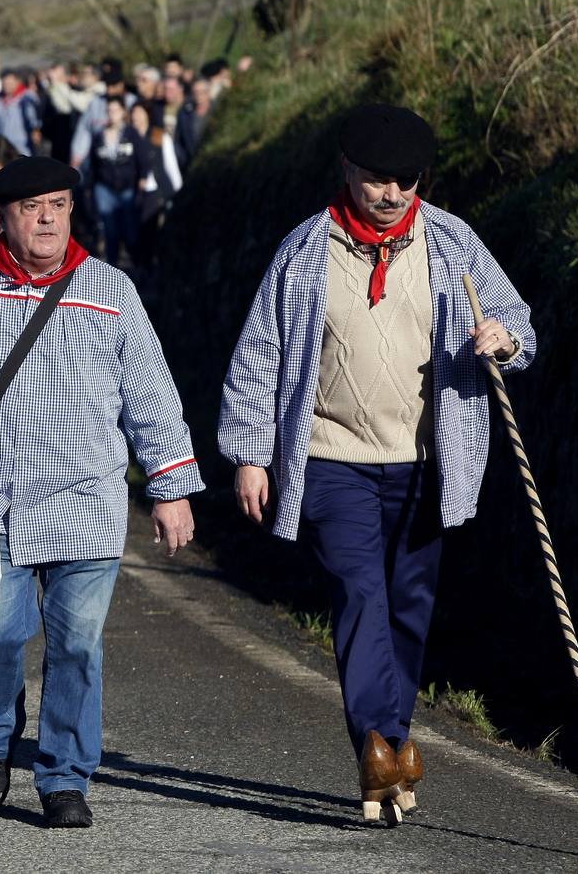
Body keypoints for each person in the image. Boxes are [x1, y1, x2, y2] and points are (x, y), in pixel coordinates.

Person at [218, 104, 537, 825]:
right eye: (376, 180)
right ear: (346, 171)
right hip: (334, 461)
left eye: (405, 180)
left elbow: (520, 322)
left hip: (428, 461)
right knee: (360, 595)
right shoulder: (303, 253)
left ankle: (390, 751)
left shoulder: (454, 243)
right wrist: (250, 453)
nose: (391, 193)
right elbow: (258, 357)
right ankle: (377, 745)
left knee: (409, 613)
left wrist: (503, 339)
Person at [0, 155, 203, 828]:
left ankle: (64, 778)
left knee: (78, 645)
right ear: (0, 215)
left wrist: (171, 486)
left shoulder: (110, 290)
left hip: (88, 501)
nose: (49, 217)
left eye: (59, 203)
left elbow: (151, 395)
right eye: (33, 207)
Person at [88, 96, 148, 268]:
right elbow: (93, 163)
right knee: (110, 230)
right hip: (105, 187)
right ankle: (112, 267)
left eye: (115, 110)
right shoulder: (99, 135)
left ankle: (136, 266)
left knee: (130, 230)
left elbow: (141, 157)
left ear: (123, 112)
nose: (112, 114)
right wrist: (90, 187)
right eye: (109, 110)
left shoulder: (131, 133)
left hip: (127, 187)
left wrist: (142, 177)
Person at [129, 102, 181, 275]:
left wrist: (178, 191)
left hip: (157, 190)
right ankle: (142, 265)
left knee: (151, 229)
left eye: (139, 112)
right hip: (136, 192)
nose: (136, 117)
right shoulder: (129, 136)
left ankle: (150, 266)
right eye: (133, 113)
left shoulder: (158, 135)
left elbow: (170, 164)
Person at [0, 67, 41, 157]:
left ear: (17, 81)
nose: (7, 86)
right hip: (0, 145)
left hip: (21, 145)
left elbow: (34, 118)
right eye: (5, 83)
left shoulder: (26, 97)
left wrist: (36, 130)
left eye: (10, 83)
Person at [175, 77, 212, 171]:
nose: (198, 96)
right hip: (191, 165)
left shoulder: (216, 112)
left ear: (208, 93)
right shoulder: (184, 113)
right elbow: (178, 140)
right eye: (195, 92)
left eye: (202, 92)